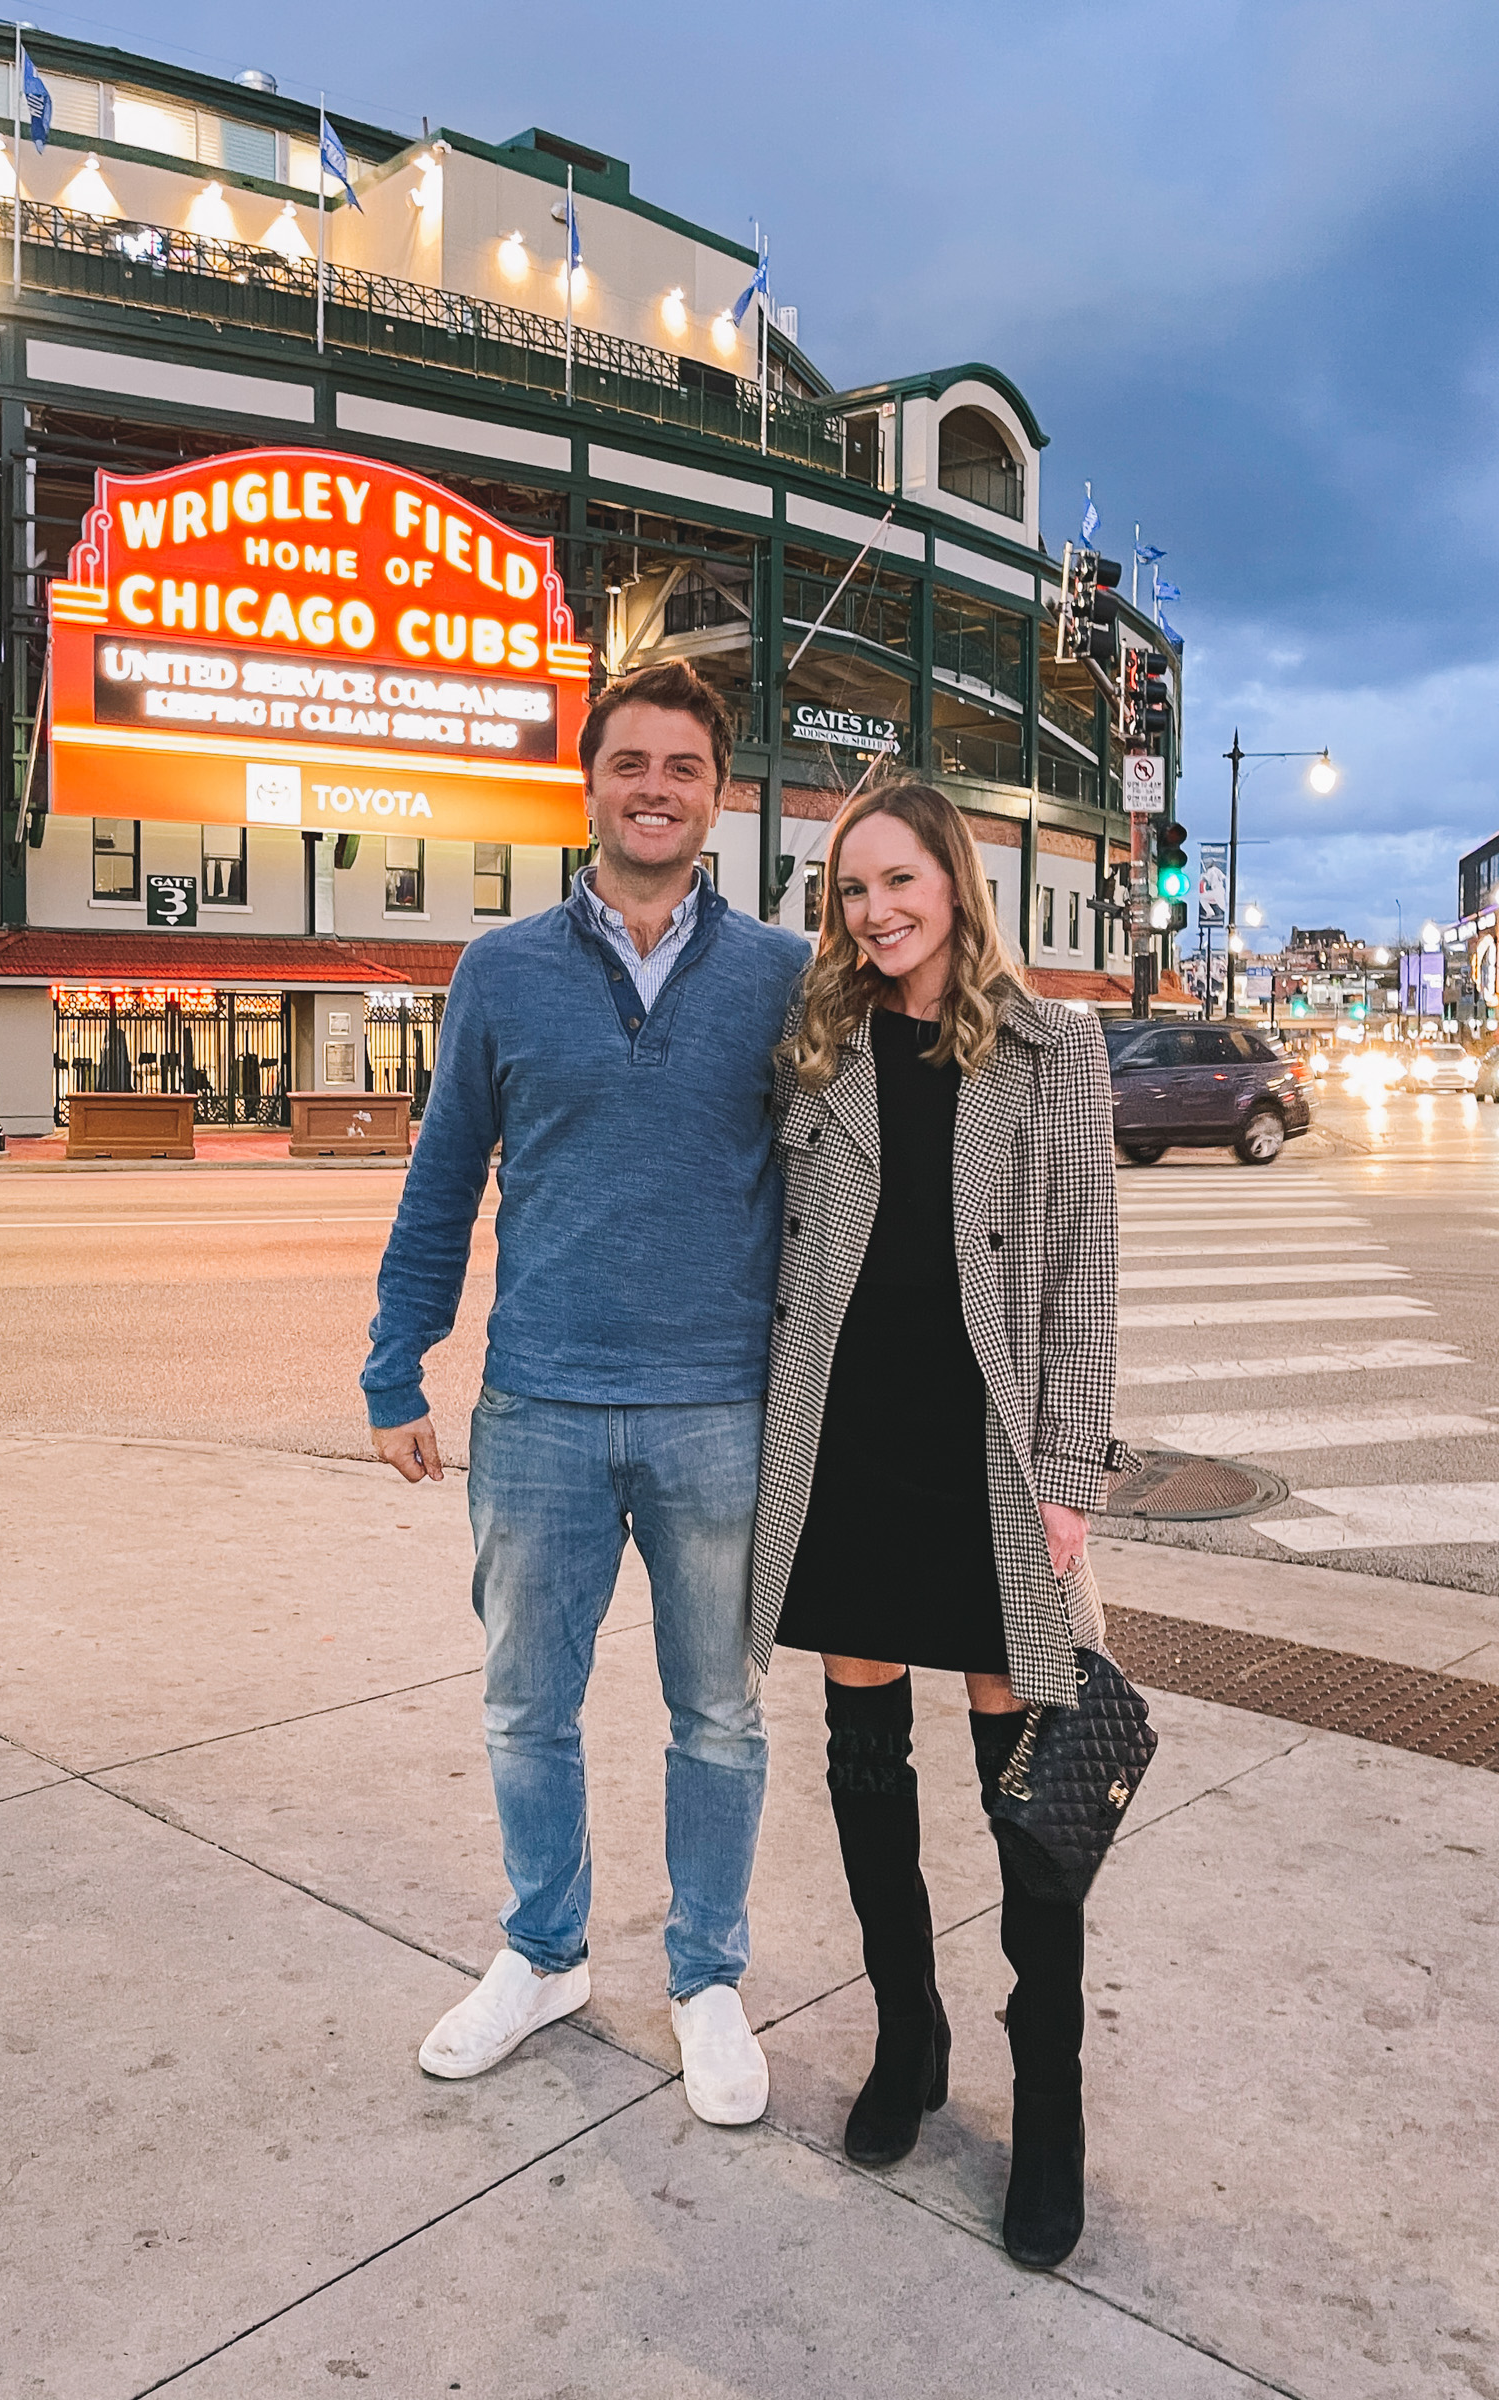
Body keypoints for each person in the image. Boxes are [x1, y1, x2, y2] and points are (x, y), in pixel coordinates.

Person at [363, 657, 812, 2124]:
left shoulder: (782, 979)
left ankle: (705, 1977)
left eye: (685, 767)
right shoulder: (501, 973)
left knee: (719, 1720)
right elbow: (442, 1184)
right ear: (591, 781)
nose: (657, 789)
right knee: (522, 1710)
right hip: (540, 1404)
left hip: (714, 1411)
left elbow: (838, 1187)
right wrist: (395, 1362)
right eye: (632, 762)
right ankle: (545, 1953)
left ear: (718, 795)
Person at [750, 774, 1136, 2269]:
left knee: (1024, 1804)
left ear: (956, 885)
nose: (878, 910)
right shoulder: (820, 1045)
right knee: (861, 1766)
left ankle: (1051, 2110)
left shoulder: (1054, 1049)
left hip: (985, 1462)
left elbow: (1084, 1277)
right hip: (846, 1449)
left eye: (900, 881)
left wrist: (1067, 1472)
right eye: (854, 889)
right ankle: (906, 2039)